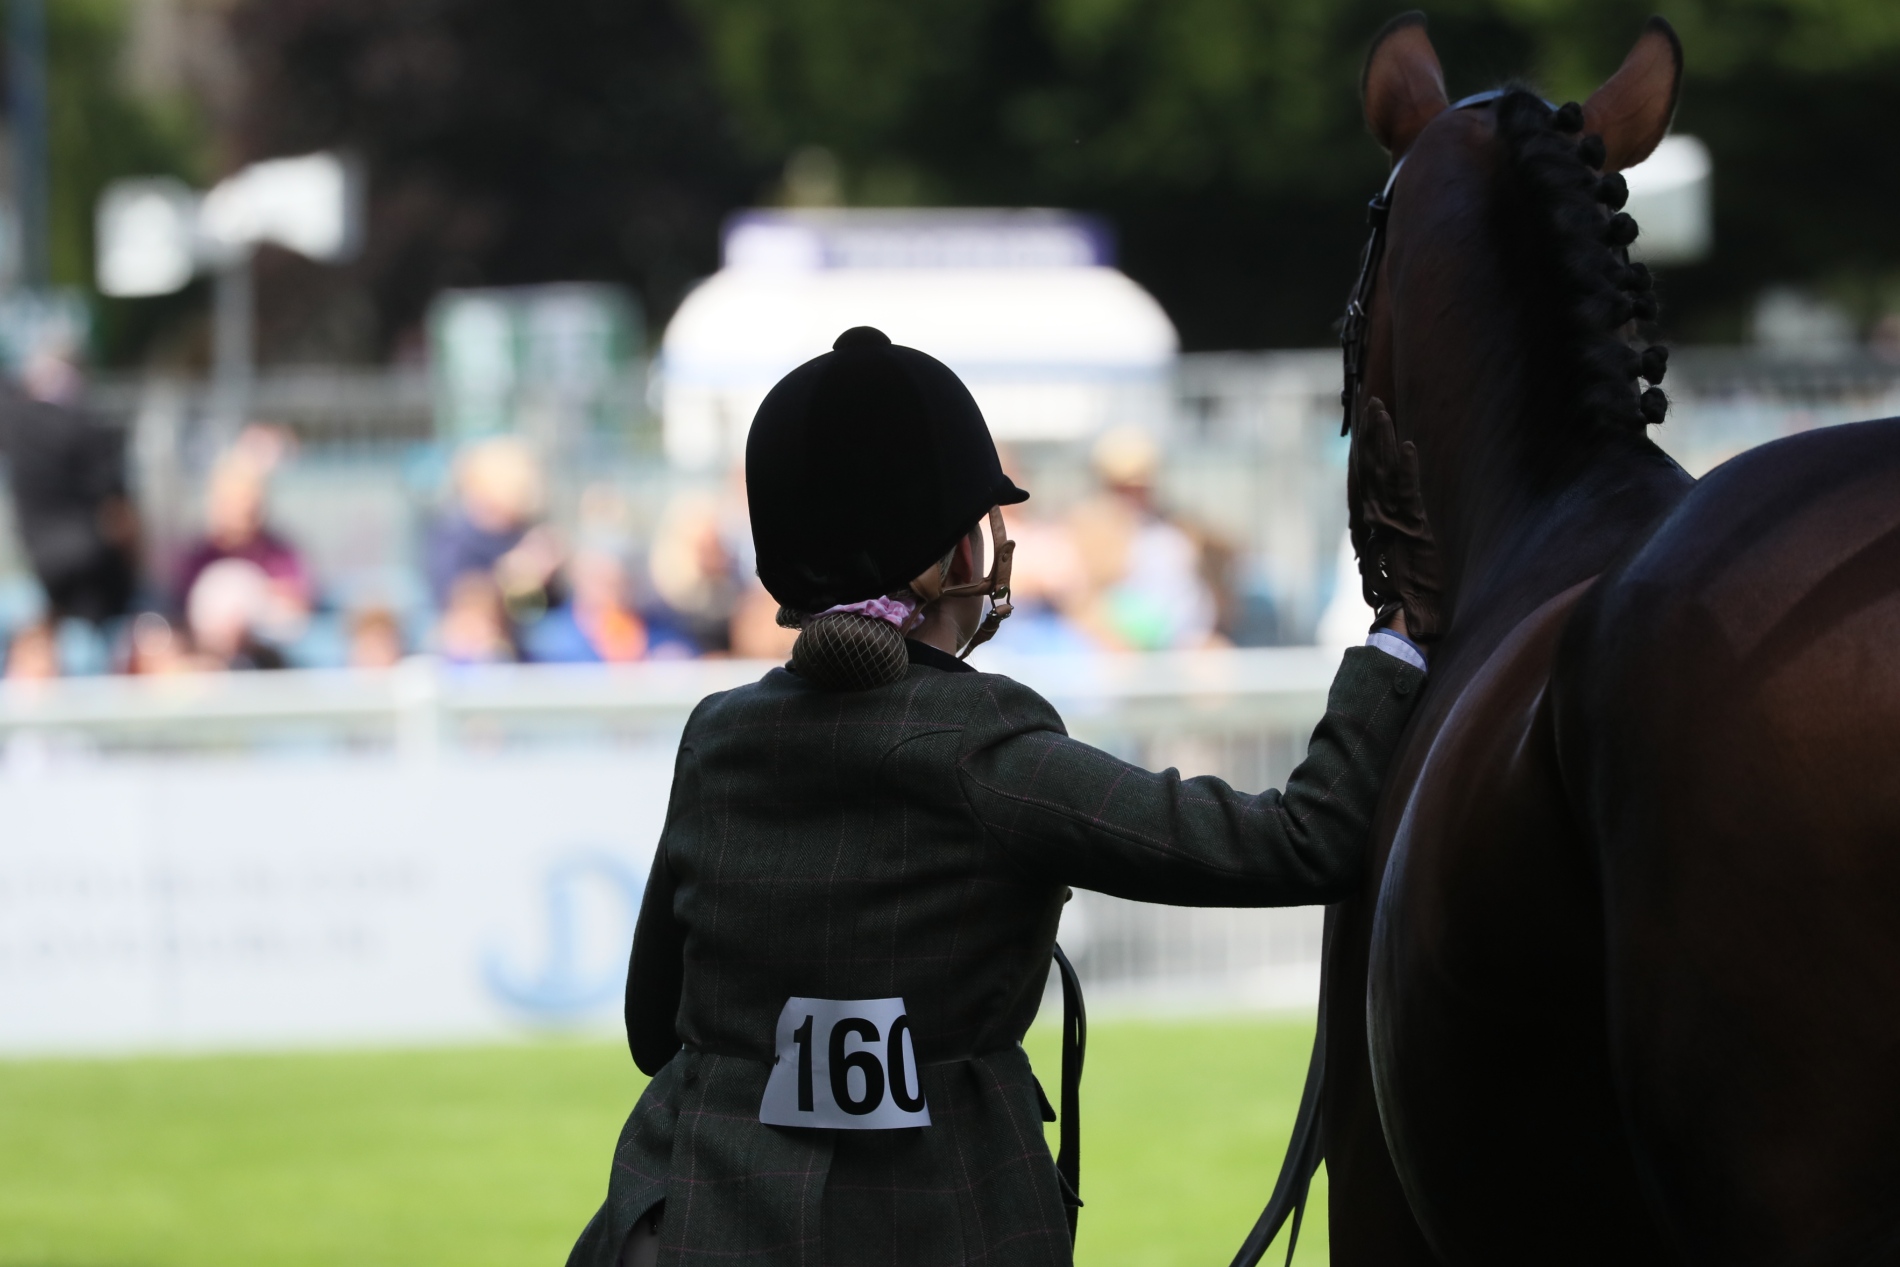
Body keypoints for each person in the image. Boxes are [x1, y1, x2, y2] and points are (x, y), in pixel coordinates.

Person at [566, 327, 1436, 1267]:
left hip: (694, 1221)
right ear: (945, 562)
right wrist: (1398, 633)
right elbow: (1302, 841)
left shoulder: (718, 735)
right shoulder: (988, 744)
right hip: (943, 1221)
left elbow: (654, 1028)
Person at [0, 343, 138, 625]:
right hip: (93, 569)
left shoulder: (16, 422)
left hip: (42, 562)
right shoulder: (89, 428)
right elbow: (117, 513)